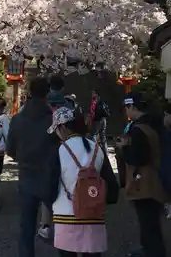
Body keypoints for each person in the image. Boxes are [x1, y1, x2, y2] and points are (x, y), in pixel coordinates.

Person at [48, 107, 118, 257]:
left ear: (63, 127)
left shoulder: (58, 151)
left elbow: (50, 186)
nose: (56, 133)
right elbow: (112, 185)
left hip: (65, 215)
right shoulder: (97, 149)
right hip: (94, 214)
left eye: (57, 129)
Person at [7, 76, 58, 257]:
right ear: (48, 94)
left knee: (26, 226)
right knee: (62, 221)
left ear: (29, 93)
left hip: (27, 175)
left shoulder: (17, 120)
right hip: (51, 176)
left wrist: (23, 156)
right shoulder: (53, 120)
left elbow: (10, 150)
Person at [117, 93, 168, 257]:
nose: (126, 111)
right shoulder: (157, 124)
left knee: (148, 224)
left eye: (126, 107)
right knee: (151, 223)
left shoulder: (139, 129)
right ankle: (148, 249)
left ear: (132, 107)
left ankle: (152, 251)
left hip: (144, 183)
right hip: (157, 179)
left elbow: (138, 158)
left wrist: (124, 148)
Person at [89, 90, 110, 155]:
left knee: (93, 135)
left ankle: (96, 151)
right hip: (103, 119)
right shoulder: (103, 101)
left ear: (96, 94)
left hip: (97, 120)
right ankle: (105, 151)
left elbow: (93, 112)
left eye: (93, 93)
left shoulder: (95, 101)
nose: (92, 95)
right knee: (102, 136)